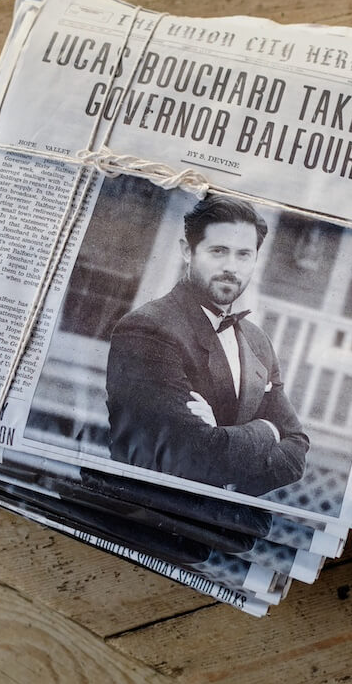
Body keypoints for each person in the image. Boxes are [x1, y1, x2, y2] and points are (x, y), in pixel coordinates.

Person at [106, 195, 309, 496]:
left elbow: (297, 451)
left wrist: (221, 440)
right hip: (153, 515)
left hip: (224, 527)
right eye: (218, 251)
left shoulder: (258, 342)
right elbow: (192, 453)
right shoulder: (148, 328)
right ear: (188, 251)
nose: (231, 267)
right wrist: (269, 430)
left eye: (244, 255)